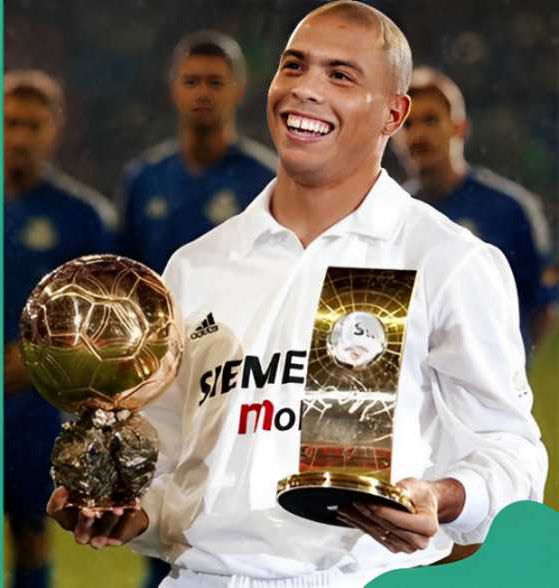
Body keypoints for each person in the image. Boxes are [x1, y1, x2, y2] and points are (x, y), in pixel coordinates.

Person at [48, 2, 546, 586]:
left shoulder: (446, 261)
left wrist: (446, 495)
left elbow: (512, 451)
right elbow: (166, 463)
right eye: (294, 67)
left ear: (394, 113)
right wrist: (127, 512)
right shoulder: (196, 266)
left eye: (340, 75)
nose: (306, 90)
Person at [3, 69, 115, 588]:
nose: (20, 136)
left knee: (32, 530)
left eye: (32, 125)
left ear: (55, 129)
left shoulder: (82, 217)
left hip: (39, 403)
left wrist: (40, 357)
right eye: (11, 124)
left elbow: (105, 317)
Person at [392, 67, 554, 351]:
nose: (418, 134)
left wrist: (505, 370)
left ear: (459, 127)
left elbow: (541, 307)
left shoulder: (510, 209)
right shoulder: (389, 215)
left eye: (431, 120)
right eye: (407, 124)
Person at [119, 31, 276, 273]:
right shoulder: (143, 180)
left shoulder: (267, 181)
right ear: (173, 88)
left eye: (215, 82)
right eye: (191, 82)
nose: (202, 93)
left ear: (239, 90)